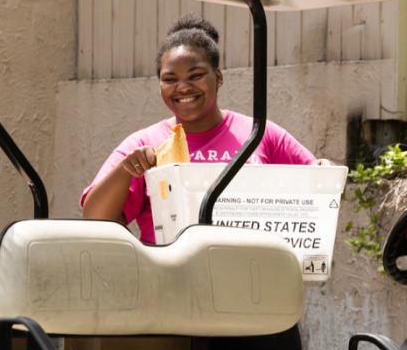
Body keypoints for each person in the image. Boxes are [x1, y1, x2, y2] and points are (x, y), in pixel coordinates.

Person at [82, 13, 318, 243]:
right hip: (167, 277)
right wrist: (126, 170)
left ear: (218, 77)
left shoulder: (259, 135)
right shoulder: (144, 144)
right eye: (170, 79)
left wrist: (323, 169)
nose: (183, 87)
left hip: (246, 275)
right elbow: (95, 218)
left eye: (195, 75)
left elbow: (317, 184)